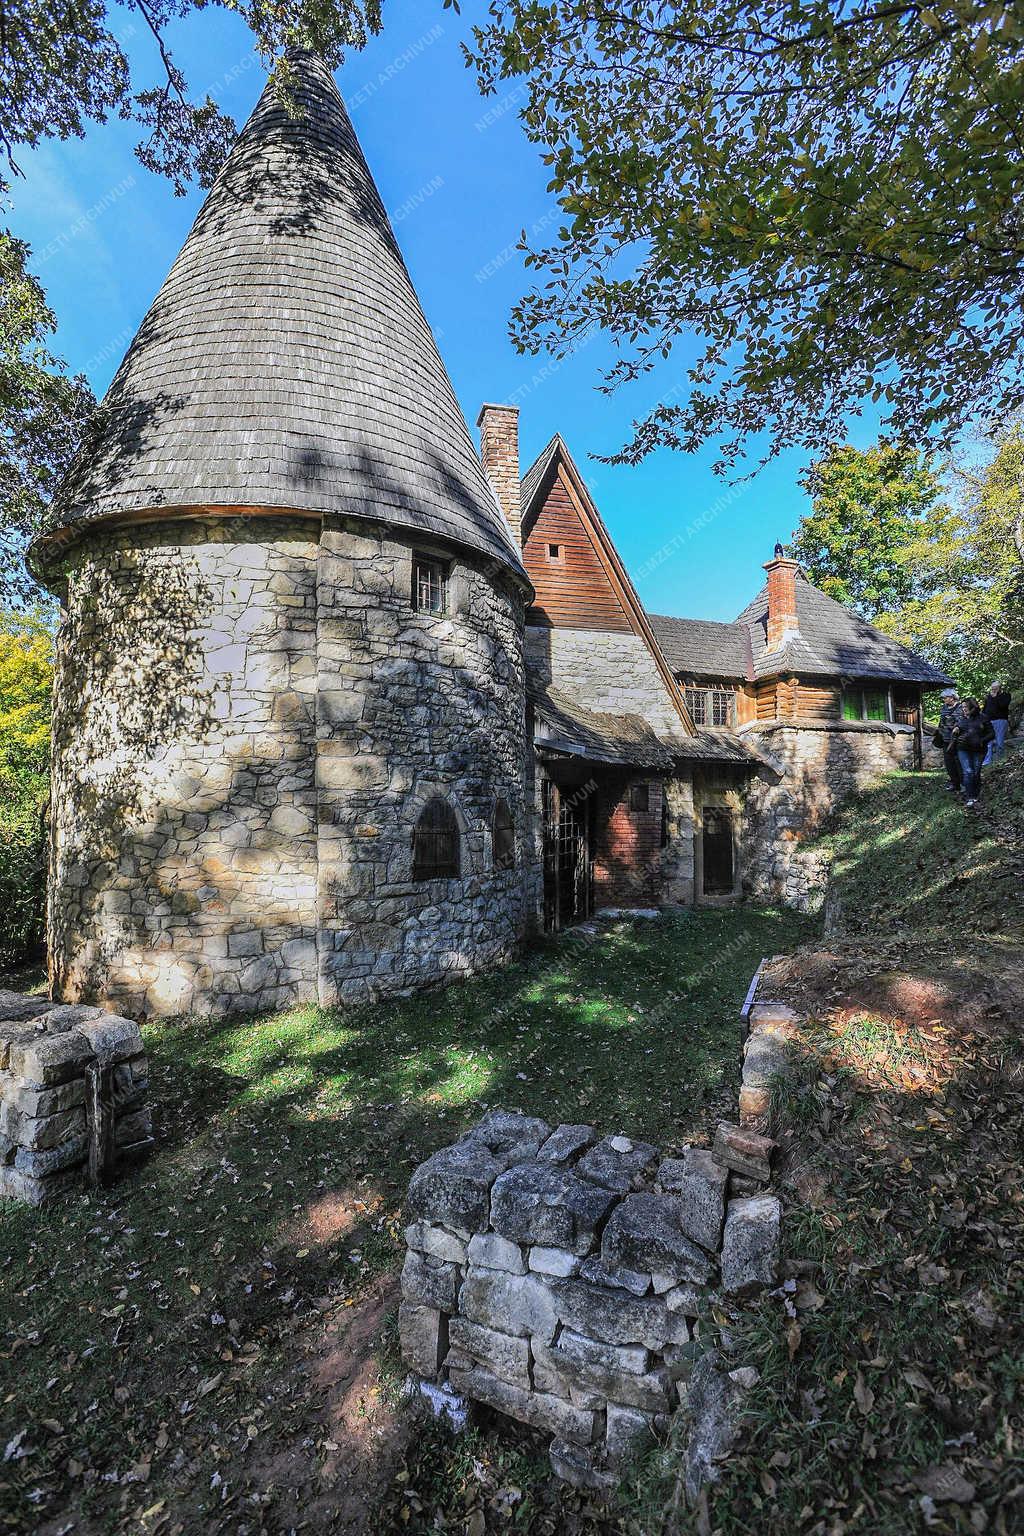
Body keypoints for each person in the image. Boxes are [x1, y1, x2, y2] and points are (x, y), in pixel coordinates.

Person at [950, 697, 995, 809]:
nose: (964, 709)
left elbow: (992, 734)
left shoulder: (983, 717)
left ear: (972, 706)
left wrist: (981, 741)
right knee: (968, 772)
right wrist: (955, 729)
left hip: (978, 750)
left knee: (976, 772)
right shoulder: (961, 718)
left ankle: (976, 795)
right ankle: (970, 797)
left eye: (966, 706)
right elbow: (955, 729)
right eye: (963, 707)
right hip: (962, 749)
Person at [935, 689, 966, 791]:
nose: (944, 699)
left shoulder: (960, 708)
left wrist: (950, 725)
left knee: (959, 762)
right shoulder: (944, 708)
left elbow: (961, 723)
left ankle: (963, 784)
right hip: (945, 739)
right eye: (943, 698)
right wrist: (940, 730)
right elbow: (941, 722)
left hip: (957, 740)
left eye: (945, 697)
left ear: (952, 698)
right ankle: (954, 783)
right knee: (949, 763)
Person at [982, 680, 1011, 765]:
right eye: (992, 688)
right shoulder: (989, 697)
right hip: (989, 721)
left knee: (999, 741)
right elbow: (985, 709)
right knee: (988, 742)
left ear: (1000, 688)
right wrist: (982, 719)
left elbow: (1003, 706)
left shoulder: (1006, 695)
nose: (993, 690)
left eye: (995, 688)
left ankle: (1000, 760)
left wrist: (996, 697)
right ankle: (987, 761)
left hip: (1000, 721)